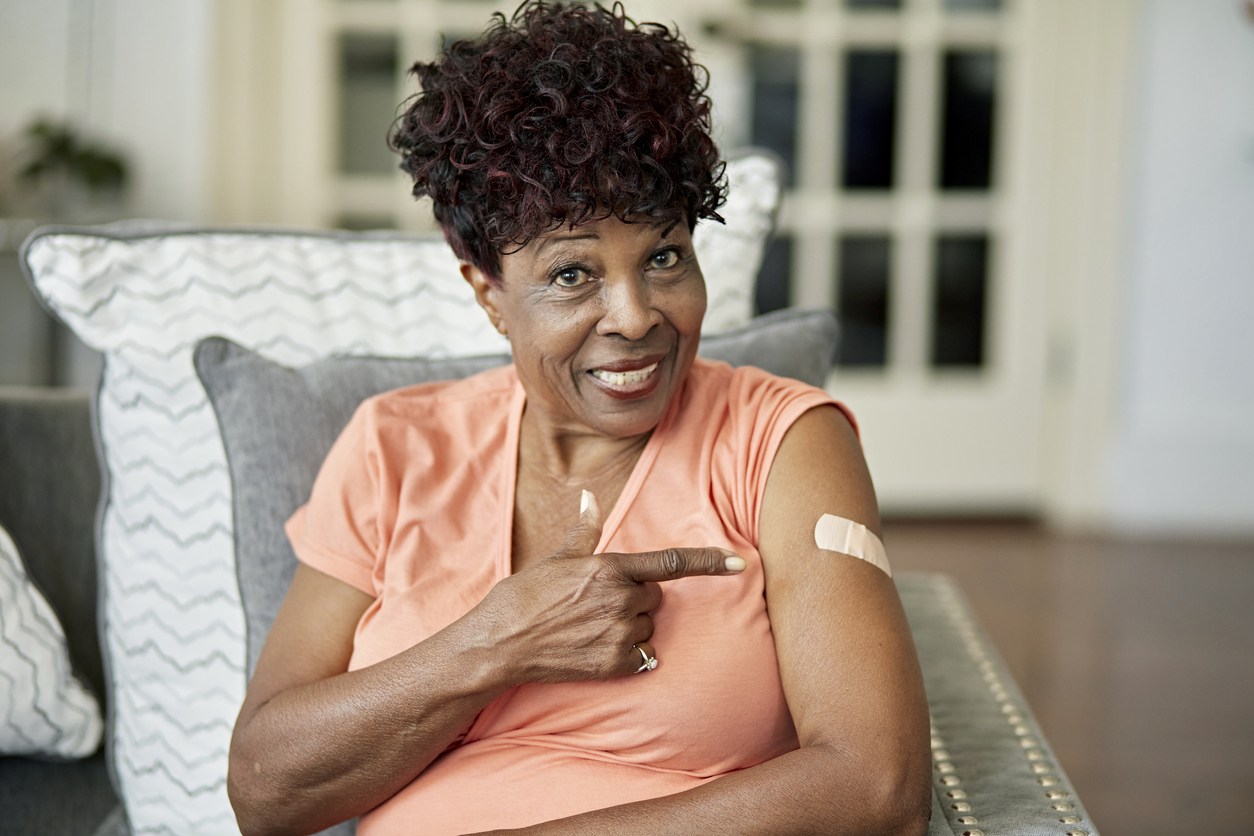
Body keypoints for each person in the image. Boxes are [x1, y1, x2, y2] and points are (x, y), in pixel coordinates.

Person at [226, 3, 931, 835]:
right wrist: (500, 640)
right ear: (489, 294)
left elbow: (880, 789)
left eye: (664, 256)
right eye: (573, 274)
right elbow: (266, 792)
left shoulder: (780, 444)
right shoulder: (394, 448)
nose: (635, 316)